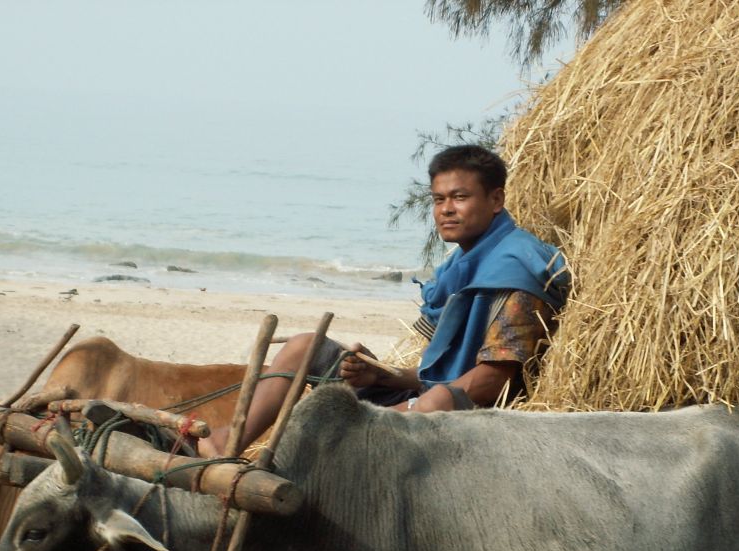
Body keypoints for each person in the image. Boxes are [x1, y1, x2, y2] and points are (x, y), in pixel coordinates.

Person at [198, 145, 569, 457]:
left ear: (496, 200)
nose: (446, 209)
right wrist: (381, 375)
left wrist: (400, 409)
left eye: (460, 197)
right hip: (431, 395)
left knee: (434, 401)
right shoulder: (462, 265)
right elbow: (435, 374)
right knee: (303, 347)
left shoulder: (514, 269)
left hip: (470, 414)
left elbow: (494, 381)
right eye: (438, 199)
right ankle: (228, 445)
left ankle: (313, 455)